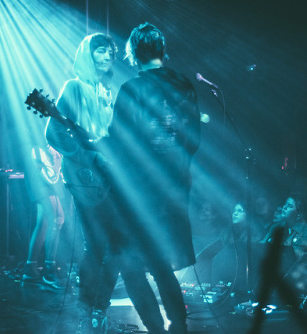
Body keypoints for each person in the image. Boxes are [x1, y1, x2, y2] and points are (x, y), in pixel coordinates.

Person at [46, 33, 166, 334]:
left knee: (116, 246)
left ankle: (97, 309)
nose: (108, 55)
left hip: (110, 180)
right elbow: (54, 133)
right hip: (84, 180)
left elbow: (109, 139)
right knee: (97, 245)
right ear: (87, 53)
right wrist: (88, 159)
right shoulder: (72, 87)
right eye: (101, 50)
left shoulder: (108, 91)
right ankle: (88, 313)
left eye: (111, 51)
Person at [108, 22, 201, 334]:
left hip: (139, 196)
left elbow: (117, 144)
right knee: (161, 264)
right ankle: (178, 325)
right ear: (163, 49)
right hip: (174, 191)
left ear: (133, 52)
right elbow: (194, 138)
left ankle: (156, 328)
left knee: (130, 264)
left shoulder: (131, 90)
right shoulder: (184, 85)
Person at [22, 143, 66, 290]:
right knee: (56, 218)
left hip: (45, 180)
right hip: (42, 180)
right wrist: (57, 159)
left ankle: (31, 269)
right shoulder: (39, 146)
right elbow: (50, 176)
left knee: (46, 220)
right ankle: (49, 270)